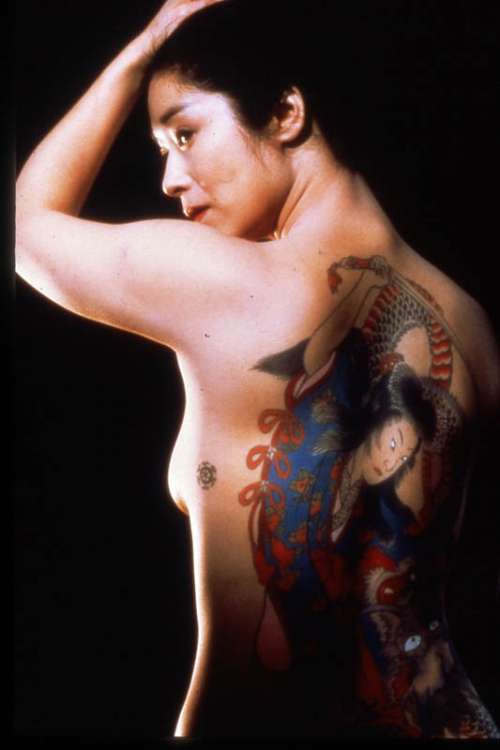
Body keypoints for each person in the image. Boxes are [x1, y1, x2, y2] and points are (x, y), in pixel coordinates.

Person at [15, 0, 500, 739]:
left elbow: (23, 228)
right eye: (161, 150)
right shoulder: (471, 326)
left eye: (185, 133)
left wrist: (147, 43)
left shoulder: (225, 281)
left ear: (285, 113)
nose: (170, 178)